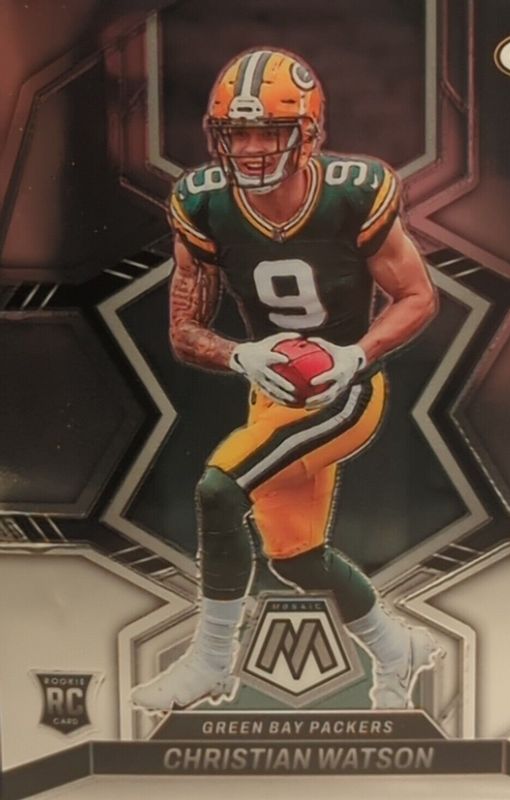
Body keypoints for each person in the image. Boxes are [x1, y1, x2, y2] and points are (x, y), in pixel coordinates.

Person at [131, 48, 439, 713]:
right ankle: (398, 650)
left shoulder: (354, 192)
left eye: (268, 131)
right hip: (271, 393)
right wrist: (242, 355)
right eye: (235, 133)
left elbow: (417, 296)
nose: (249, 150)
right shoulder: (202, 202)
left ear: (309, 131)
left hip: (343, 391)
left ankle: (212, 662)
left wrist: (355, 355)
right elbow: (184, 329)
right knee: (297, 559)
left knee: (219, 489)